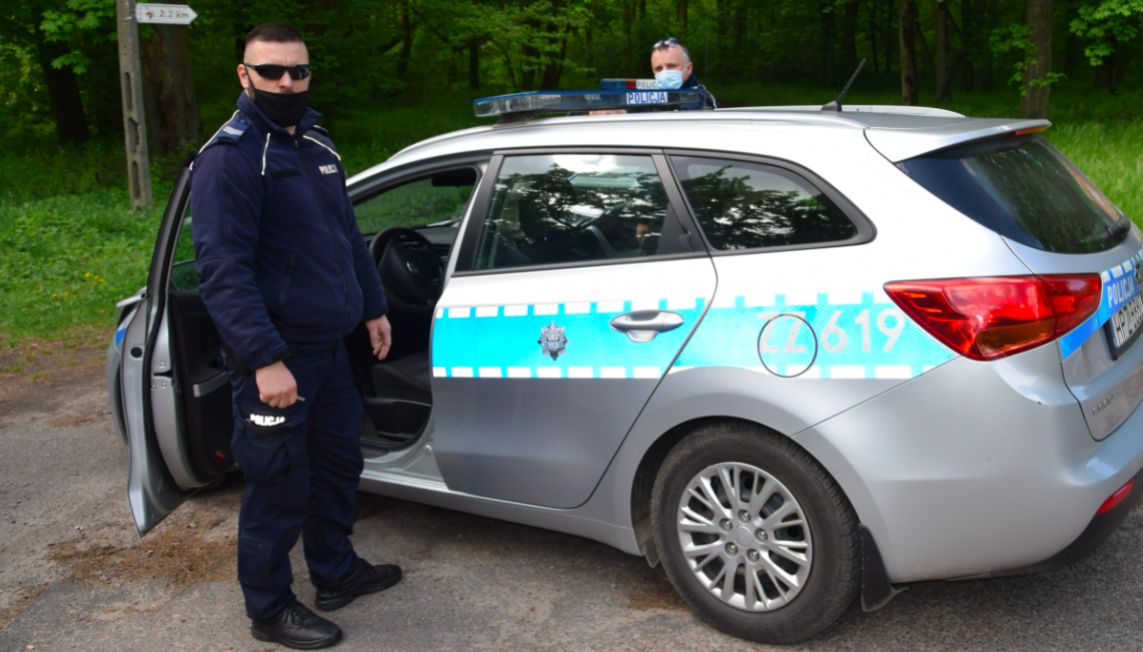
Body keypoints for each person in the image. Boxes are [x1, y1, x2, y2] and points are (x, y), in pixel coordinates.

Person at [191, 22, 401, 650]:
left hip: (331, 349)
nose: (287, 82)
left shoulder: (315, 140)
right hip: (278, 358)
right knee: (279, 483)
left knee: (338, 467)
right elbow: (222, 271)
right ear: (244, 76)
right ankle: (270, 608)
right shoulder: (230, 157)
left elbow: (345, 236)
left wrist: (373, 307)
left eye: (298, 71)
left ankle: (336, 574)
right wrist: (262, 360)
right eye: (273, 71)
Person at [650, 37, 718, 109]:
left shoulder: (700, 99)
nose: (664, 72)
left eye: (671, 66)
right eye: (659, 68)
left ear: (689, 68)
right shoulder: (647, 99)